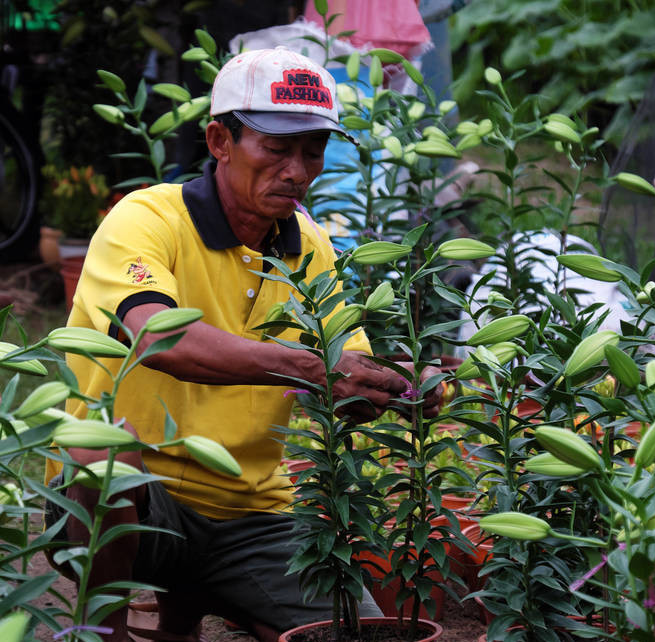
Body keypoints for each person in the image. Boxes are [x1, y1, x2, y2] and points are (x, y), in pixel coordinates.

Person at [46, 47, 441, 642]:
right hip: (138, 496)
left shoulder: (309, 244)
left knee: (354, 632)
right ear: (219, 141)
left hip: (251, 511)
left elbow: (344, 369)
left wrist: (395, 384)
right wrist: (315, 370)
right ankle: (102, 630)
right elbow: (159, 338)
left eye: (313, 150)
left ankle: (190, 601)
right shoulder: (147, 219)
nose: (298, 170)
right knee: (102, 459)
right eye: (276, 148)